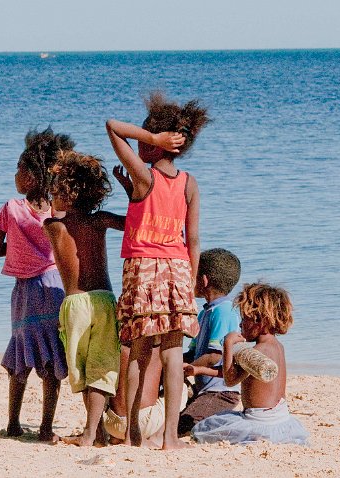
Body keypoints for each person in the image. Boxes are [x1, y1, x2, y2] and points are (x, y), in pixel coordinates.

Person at [106, 91, 210, 449]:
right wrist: (191, 282)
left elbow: (112, 127)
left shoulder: (144, 175)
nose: (139, 139)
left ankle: (134, 433)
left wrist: (150, 138)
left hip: (143, 268)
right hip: (179, 268)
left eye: (146, 136)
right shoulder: (189, 182)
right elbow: (192, 239)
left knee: (137, 350)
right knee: (171, 353)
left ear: (160, 142)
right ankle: (168, 436)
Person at [0, 127, 74, 441]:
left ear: (31, 176)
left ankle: (13, 423)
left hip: (24, 291)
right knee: (52, 358)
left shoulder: (11, 209)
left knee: (20, 355)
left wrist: (18, 249)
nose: (15, 174)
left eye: (19, 169)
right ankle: (46, 428)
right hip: (54, 288)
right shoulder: (57, 211)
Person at [43, 150, 124, 447]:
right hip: (103, 300)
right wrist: (130, 191)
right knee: (101, 367)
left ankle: (91, 432)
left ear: (64, 194)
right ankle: (96, 431)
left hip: (75, 303)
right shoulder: (100, 220)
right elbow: (132, 223)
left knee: (83, 369)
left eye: (56, 189)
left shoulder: (54, 227)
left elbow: (51, 211)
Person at [191, 283, 310, 445]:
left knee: (203, 429)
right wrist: (198, 369)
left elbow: (230, 379)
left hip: (259, 420)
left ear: (262, 322)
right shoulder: (276, 347)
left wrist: (227, 345)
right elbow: (235, 372)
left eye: (245, 319)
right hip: (281, 419)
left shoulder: (256, 352)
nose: (240, 325)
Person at [179, 248, 242, 435]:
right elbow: (193, 352)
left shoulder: (223, 311)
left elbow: (214, 356)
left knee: (182, 427)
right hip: (203, 390)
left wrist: (184, 368)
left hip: (220, 393)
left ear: (204, 280)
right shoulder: (205, 312)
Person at [103, 345, 190, 448]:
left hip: (109, 423)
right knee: (182, 385)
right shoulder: (159, 342)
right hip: (145, 424)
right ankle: (159, 436)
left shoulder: (120, 339)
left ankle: (119, 436)